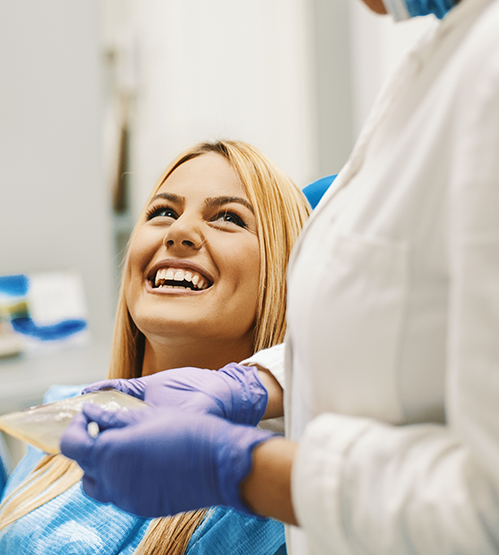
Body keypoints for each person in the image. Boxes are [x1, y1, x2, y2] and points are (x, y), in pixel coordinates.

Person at [61, 0, 499, 553]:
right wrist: (259, 383)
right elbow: (421, 336)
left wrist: (242, 468)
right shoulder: (467, 43)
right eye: (161, 210)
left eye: (230, 218)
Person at [0, 139, 311, 554]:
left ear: (285, 273)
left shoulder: (282, 496)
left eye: (228, 218)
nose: (179, 231)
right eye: (163, 212)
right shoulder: (63, 416)